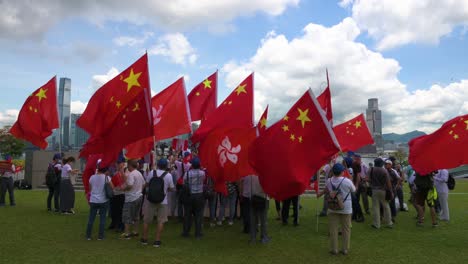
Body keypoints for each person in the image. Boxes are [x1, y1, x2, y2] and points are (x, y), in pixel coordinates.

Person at [322, 163, 355, 255]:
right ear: (342, 171)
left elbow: (328, 190)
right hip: (346, 207)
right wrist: (351, 180)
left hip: (332, 207)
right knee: (346, 229)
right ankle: (345, 249)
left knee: (333, 229)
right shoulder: (347, 181)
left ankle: (334, 249)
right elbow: (353, 190)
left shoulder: (329, 181)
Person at [141, 159, 175, 247]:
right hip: (163, 200)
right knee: (161, 221)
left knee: (146, 220)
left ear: (158, 165)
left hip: (151, 199)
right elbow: (171, 188)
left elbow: (147, 184)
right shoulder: (168, 175)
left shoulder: (152, 172)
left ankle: (144, 239)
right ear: (166, 166)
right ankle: (157, 240)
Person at [86, 164, 113, 240]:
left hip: (93, 200)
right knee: (102, 219)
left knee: (91, 218)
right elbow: (112, 187)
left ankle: (88, 235)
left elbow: (90, 188)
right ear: (106, 170)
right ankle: (101, 236)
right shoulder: (107, 178)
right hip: (103, 200)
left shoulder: (92, 177)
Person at [120, 159, 145, 239]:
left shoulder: (132, 174)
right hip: (139, 196)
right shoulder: (139, 173)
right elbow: (144, 184)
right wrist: (139, 190)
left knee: (127, 215)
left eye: (128, 165)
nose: (127, 166)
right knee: (136, 216)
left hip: (131, 198)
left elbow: (130, 185)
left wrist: (123, 188)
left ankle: (127, 233)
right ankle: (135, 231)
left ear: (130, 165)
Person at [182, 158, 206, 238]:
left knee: (187, 215)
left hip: (189, 195)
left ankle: (186, 232)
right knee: (198, 215)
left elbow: (184, 183)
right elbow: (204, 180)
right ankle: (198, 233)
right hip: (199, 195)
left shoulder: (187, 173)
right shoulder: (202, 173)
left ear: (192, 165)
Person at [368, 158, 393, 229]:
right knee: (386, 206)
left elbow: (367, 179)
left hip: (374, 190)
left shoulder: (371, 169)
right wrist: (391, 191)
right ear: (381, 163)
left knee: (375, 207)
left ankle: (376, 224)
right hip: (383, 190)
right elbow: (388, 182)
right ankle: (389, 222)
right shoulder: (384, 171)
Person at [245, 175, 270, 244]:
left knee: (253, 219)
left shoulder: (251, 175)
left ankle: (253, 238)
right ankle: (263, 237)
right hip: (262, 198)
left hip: (253, 198)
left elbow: (249, 188)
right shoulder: (264, 174)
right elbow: (267, 187)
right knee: (263, 220)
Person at [108, 158, 126, 232]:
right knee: (114, 210)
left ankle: (120, 225)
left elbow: (123, 183)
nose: (117, 165)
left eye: (119, 163)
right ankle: (114, 223)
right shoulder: (116, 172)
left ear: (123, 164)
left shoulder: (124, 172)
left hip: (120, 194)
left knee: (119, 211)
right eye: (117, 163)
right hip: (115, 193)